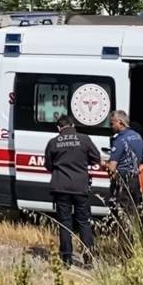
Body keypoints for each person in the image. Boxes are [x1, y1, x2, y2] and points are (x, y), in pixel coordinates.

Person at [45, 115, 102, 269]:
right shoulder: (84, 139)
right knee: (83, 222)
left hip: (61, 186)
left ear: (58, 128)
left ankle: (66, 259)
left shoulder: (53, 142)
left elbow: (48, 165)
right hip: (80, 186)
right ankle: (88, 259)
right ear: (73, 125)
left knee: (64, 223)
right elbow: (96, 158)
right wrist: (84, 162)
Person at [106, 110, 143, 217]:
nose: (111, 126)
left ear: (120, 122)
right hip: (135, 178)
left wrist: (104, 163)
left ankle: (120, 232)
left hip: (122, 178)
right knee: (132, 209)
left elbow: (112, 167)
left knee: (119, 209)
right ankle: (132, 232)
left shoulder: (119, 140)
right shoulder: (137, 136)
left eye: (112, 123)